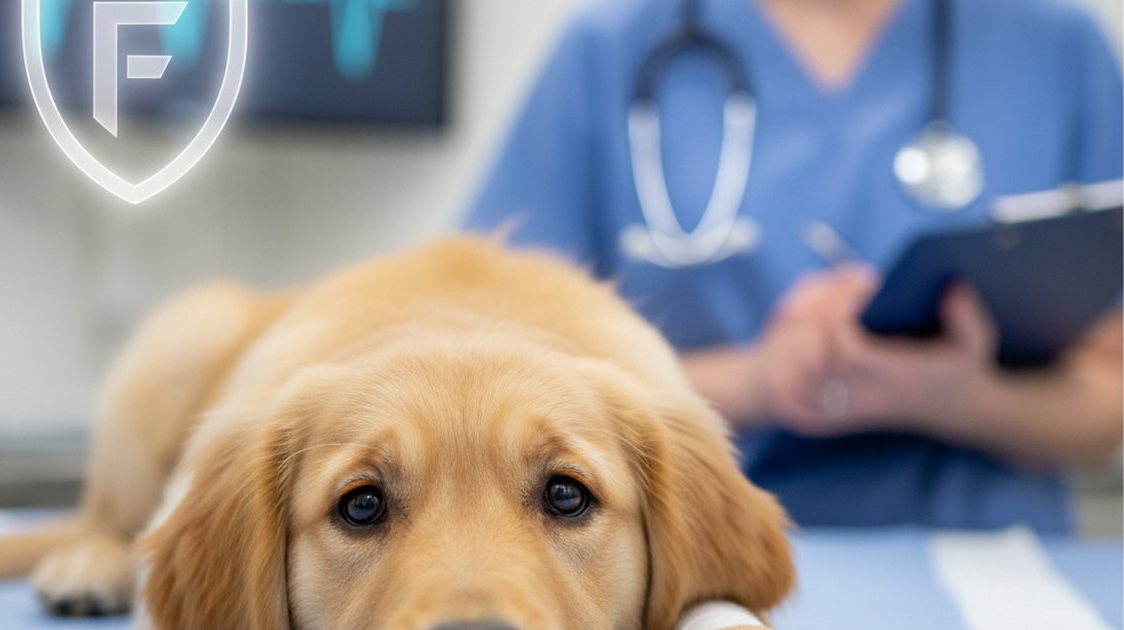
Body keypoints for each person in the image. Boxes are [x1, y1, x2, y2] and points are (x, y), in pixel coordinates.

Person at [463, 0, 1123, 533]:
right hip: (695, 555)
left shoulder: (1056, 43)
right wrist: (759, 383)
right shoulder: (607, 45)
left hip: (996, 567)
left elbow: (1111, 391)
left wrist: (958, 397)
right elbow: (499, 380)